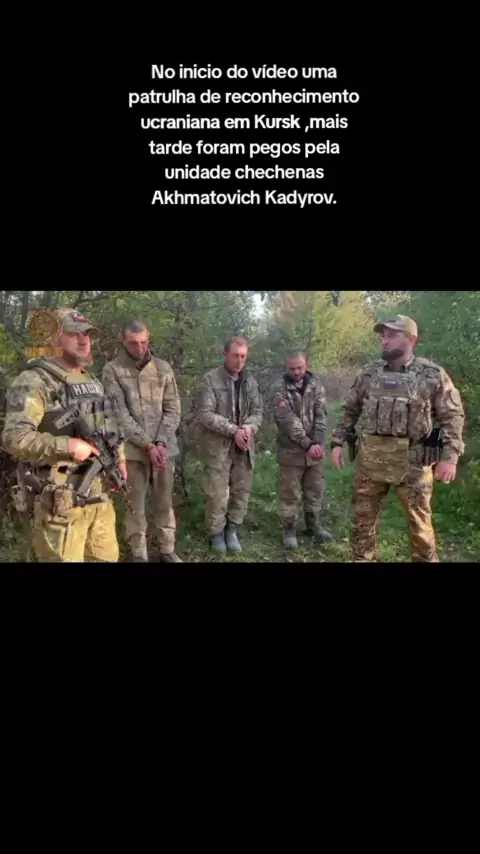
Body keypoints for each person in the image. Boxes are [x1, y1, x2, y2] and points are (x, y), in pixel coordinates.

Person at [330, 315, 465, 562]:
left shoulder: (431, 375)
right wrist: (337, 442)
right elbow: (350, 409)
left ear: (412, 339)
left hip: (413, 462)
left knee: (420, 526)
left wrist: (450, 457)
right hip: (371, 460)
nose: (385, 340)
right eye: (383, 335)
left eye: (392, 335)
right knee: (361, 522)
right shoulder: (369, 373)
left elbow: (452, 415)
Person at [1, 307, 126, 562]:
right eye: (74, 333)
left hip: (98, 498)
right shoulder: (34, 381)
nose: (84, 340)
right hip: (60, 503)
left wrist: (119, 460)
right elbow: (14, 437)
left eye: (87, 334)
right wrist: (68, 445)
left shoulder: (92, 382)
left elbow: (108, 429)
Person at [102, 319, 182, 563]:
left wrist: (160, 442)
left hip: (164, 450)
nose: (139, 347)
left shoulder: (163, 368)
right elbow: (119, 414)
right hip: (132, 452)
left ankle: (167, 549)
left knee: (165, 501)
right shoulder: (113, 370)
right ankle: (139, 552)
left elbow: (173, 408)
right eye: (133, 343)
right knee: (135, 504)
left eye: (144, 342)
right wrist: (147, 445)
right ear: (124, 342)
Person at [193, 336, 263, 553]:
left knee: (241, 490)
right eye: (235, 355)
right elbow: (205, 414)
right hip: (218, 448)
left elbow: (258, 411)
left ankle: (232, 529)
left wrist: (249, 428)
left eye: (243, 356)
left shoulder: (250, 382)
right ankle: (216, 532)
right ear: (225, 354)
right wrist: (234, 431)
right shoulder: (210, 380)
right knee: (217, 493)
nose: (239, 360)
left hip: (244, 447)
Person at [273, 350, 332, 549]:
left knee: (314, 489)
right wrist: (309, 444)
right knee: (289, 492)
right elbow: (288, 421)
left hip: (314, 450)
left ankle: (313, 525)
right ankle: (289, 529)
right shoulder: (279, 388)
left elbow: (321, 413)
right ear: (286, 367)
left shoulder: (316, 385)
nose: (296, 372)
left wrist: (318, 441)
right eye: (292, 368)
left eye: (300, 367)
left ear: (307, 364)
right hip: (290, 451)